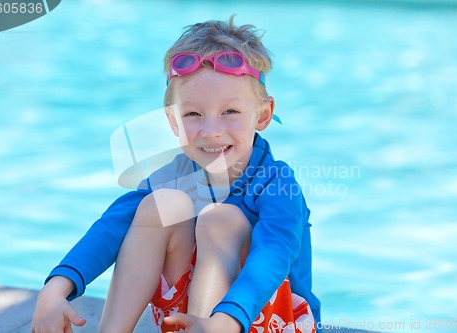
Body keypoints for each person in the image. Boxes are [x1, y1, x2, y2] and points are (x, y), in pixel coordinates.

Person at [32, 16, 321, 333]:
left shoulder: (277, 183)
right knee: (158, 207)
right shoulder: (173, 176)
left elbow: (275, 253)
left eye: (231, 112)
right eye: (193, 114)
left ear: (262, 114)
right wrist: (56, 287)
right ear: (173, 122)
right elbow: (111, 227)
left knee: (221, 220)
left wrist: (223, 321)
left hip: (269, 321)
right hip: (190, 321)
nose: (211, 131)